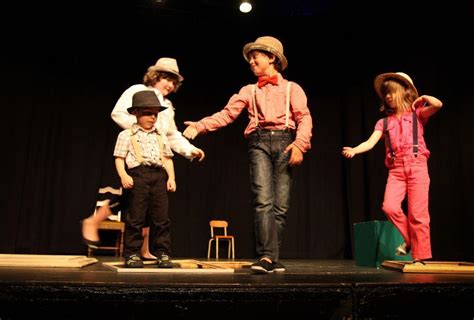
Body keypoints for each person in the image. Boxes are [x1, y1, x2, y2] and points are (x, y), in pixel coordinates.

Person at [183, 36, 313, 273]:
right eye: (250, 58)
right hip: (259, 143)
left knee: (280, 205)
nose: (251, 61)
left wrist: (299, 145)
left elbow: (304, 118)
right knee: (263, 200)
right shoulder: (248, 90)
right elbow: (227, 114)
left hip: (285, 141)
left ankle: (272, 256)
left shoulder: (292, 88)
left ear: (271, 58)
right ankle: (266, 257)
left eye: (256, 57)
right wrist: (200, 126)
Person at [82, 57, 205, 260]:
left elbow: (172, 135)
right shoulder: (137, 90)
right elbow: (118, 113)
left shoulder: (167, 106)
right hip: (135, 151)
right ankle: (93, 222)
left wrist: (190, 149)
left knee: (150, 204)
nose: (170, 85)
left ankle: (144, 249)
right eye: (167, 78)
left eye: (174, 82)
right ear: (156, 76)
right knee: (129, 199)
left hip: (156, 156)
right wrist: (142, 128)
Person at [342, 72, 443, 263]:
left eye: (392, 92)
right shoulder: (384, 122)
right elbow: (370, 142)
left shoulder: (417, 115)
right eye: (385, 93)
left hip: (417, 166)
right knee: (389, 207)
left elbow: (437, 105)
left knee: (418, 214)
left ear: (405, 92)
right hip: (396, 170)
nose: (388, 96)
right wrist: (355, 150)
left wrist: (422, 98)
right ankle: (410, 240)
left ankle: (420, 257)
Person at [114, 89, 176, 268]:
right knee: (136, 217)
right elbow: (119, 158)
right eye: (148, 113)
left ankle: (163, 253)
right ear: (135, 113)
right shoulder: (126, 135)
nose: (152, 118)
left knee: (161, 218)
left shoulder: (160, 135)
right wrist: (124, 174)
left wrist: (171, 178)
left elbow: (167, 158)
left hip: (158, 176)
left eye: (155, 114)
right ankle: (132, 254)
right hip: (138, 176)